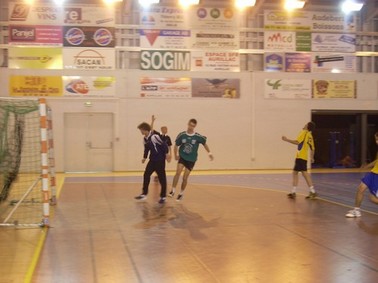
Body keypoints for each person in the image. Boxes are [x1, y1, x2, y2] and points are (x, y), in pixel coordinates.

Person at [169, 118, 214, 201]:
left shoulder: (197, 137)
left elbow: (205, 144)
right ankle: (173, 190)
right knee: (178, 172)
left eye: (193, 126)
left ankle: (181, 193)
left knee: (185, 178)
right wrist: (176, 155)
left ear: (195, 126)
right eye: (190, 125)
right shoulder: (182, 135)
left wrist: (209, 153)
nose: (191, 127)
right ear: (188, 124)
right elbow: (176, 145)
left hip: (191, 159)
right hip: (182, 157)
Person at [135, 122, 170, 204]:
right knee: (146, 175)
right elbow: (146, 149)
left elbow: (164, 144)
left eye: (141, 130)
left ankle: (163, 196)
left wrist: (167, 153)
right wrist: (144, 157)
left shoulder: (154, 137)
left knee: (162, 178)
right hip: (152, 160)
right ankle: (144, 194)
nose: (141, 132)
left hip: (160, 160)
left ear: (145, 130)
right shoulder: (144, 139)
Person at [346, 132, 378, 218]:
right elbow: (377, 161)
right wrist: (367, 166)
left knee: (372, 198)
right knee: (361, 188)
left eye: (377, 139)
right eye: (376, 139)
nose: (376, 141)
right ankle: (356, 210)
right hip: (372, 173)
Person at [282, 122, 317, 199]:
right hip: (303, 158)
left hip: (300, 157)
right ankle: (310, 191)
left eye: (306, 124)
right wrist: (312, 157)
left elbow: (297, 142)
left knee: (298, 173)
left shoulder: (304, 132)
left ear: (307, 126)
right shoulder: (310, 135)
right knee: (300, 173)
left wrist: (286, 139)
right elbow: (313, 148)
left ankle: (296, 192)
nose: (304, 124)